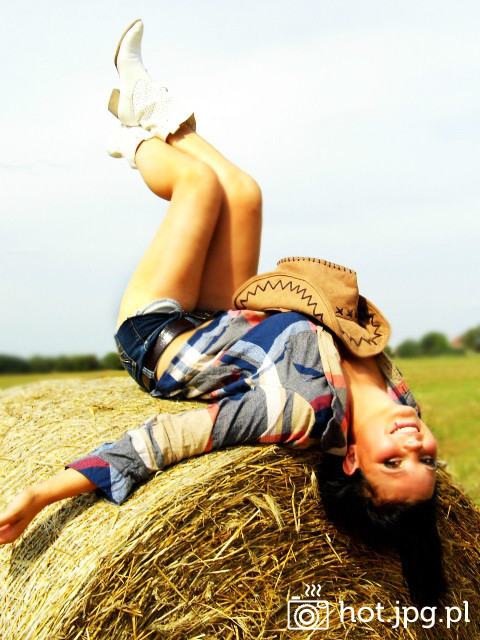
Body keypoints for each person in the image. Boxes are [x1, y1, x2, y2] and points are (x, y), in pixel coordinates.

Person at [0, 20, 445, 606]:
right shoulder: (400, 395)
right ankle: (145, 103)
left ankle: (128, 142)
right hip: (223, 321)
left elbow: (166, 441)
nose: (412, 442)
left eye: (392, 462)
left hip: (162, 338)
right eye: (425, 458)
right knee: (245, 191)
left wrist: (40, 494)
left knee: (198, 187)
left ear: (355, 460)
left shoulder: (299, 412)